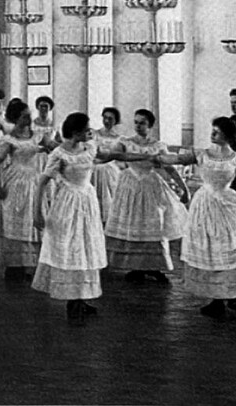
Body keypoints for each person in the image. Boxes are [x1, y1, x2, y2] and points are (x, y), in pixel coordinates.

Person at [155, 117, 236, 319]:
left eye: (216, 131)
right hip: (205, 205)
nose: (212, 134)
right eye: (212, 130)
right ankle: (215, 299)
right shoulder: (202, 153)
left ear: (227, 135)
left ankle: (232, 294)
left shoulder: (235, 157)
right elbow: (176, 159)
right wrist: (159, 157)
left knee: (228, 247)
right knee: (210, 249)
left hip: (227, 203)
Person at [32, 113, 106, 322]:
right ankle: (72, 300)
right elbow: (42, 182)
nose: (89, 132)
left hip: (87, 202)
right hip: (67, 204)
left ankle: (82, 296)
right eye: (86, 129)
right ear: (75, 132)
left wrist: (144, 157)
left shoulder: (89, 148)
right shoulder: (59, 153)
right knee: (70, 247)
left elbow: (111, 155)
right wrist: (37, 211)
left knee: (85, 247)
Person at [101, 108, 189, 284]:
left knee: (155, 225)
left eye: (142, 123)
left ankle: (154, 267)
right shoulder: (124, 141)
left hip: (150, 184)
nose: (138, 126)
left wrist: (184, 188)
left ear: (150, 125)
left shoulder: (158, 145)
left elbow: (169, 167)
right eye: (136, 122)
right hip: (130, 184)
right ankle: (137, 267)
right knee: (134, 224)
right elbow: (110, 156)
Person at [0, 100, 46, 280]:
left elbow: (54, 146)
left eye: (29, 114)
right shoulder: (9, 139)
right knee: (14, 220)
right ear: (16, 118)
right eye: (24, 116)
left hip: (33, 180)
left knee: (31, 219)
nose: (29, 118)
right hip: (14, 181)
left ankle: (29, 263)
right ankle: (14, 266)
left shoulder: (37, 134)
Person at [93, 107, 124, 226]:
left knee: (108, 198)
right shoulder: (95, 134)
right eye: (105, 118)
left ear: (115, 121)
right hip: (94, 168)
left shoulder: (119, 139)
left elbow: (120, 156)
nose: (106, 121)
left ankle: (108, 225)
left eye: (110, 119)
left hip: (109, 170)